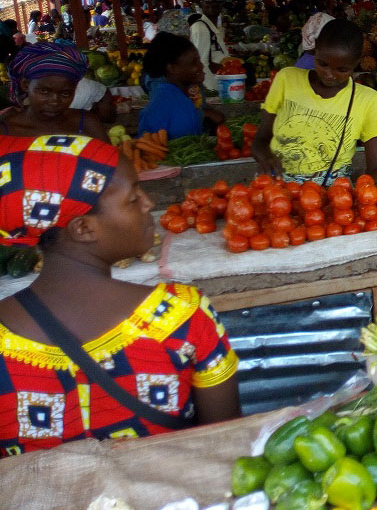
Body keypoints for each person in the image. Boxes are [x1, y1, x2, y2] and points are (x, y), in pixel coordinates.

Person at [0, 134, 240, 455]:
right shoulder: (179, 315)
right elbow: (226, 443)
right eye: (132, 198)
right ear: (84, 229)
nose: (149, 204)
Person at [253, 19, 377, 184]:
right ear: (315, 48)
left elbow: (376, 167)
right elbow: (260, 140)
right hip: (275, 191)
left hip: (333, 198)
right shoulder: (286, 79)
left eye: (342, 69)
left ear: (357, 61)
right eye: (323, 64)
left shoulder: (369, 100)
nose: (329, 74)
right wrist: (266, 158)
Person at [2, 44, 107, 140]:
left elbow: (109, 159)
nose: (55, 101)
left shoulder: (87, 124)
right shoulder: (6, 130)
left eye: (65, 93)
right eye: (44, 91)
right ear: (25, 85)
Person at [138, 34, 224, 139]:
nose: (201, 66)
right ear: (172, 68)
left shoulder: (179, 96)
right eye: (194, 62)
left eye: (199, 61)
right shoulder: (167, 101)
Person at [189, 0, 229, 93]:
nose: (213, 3)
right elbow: (201, 63)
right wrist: (212, 89)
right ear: (200, 3)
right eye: (208, 0)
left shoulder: (213, 27)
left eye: (217, 0)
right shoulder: (200, 28)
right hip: (210, 87)